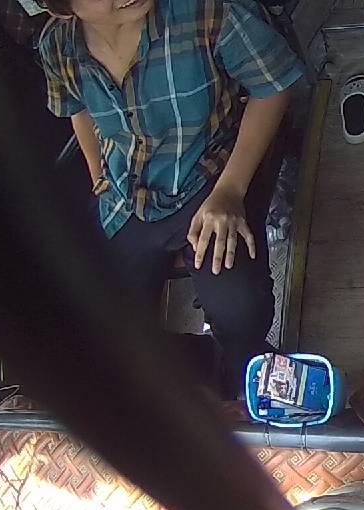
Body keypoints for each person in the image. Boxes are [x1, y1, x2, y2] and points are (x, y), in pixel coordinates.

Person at [37, 0, 305, 396]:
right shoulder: (58, 45)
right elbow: (78, 110)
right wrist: (99, 177)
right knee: (95, 325)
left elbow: (274, 86)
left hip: (206, 177)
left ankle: (239, 369)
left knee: (241, 308)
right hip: (126, 194)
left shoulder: (204, 11)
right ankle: (199, 364)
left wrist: (230, 190)